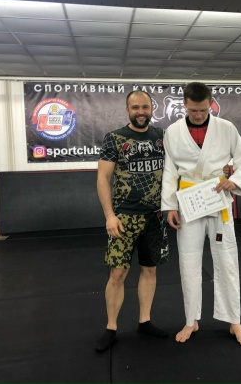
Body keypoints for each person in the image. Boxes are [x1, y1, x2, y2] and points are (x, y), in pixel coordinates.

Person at [161, 82, 241, 346]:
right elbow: (170, 170)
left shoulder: (226, 128)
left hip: (217, 198)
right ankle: (191, 320)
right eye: (193, 110)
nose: (199, 114)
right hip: (189, 201)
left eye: (203, 110)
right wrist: (169, 206)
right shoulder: (173, 132)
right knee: (188, 261)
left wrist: (234, 181)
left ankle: (234, 320)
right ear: (184, 105)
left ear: (211, 104)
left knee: (227, 259)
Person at [94, 90, 169, 353]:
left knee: (150, 270)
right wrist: (109, 215)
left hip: (155, 216)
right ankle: (111, 327)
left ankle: (144, 321)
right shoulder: (114, 138)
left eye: (145, 107)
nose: (140, 112)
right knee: (117, 273)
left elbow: (186, 163)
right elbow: (103, 178)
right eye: (135, 107)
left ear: (152, 108)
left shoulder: (163, 136)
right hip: (124, 217)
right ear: (127, 109)